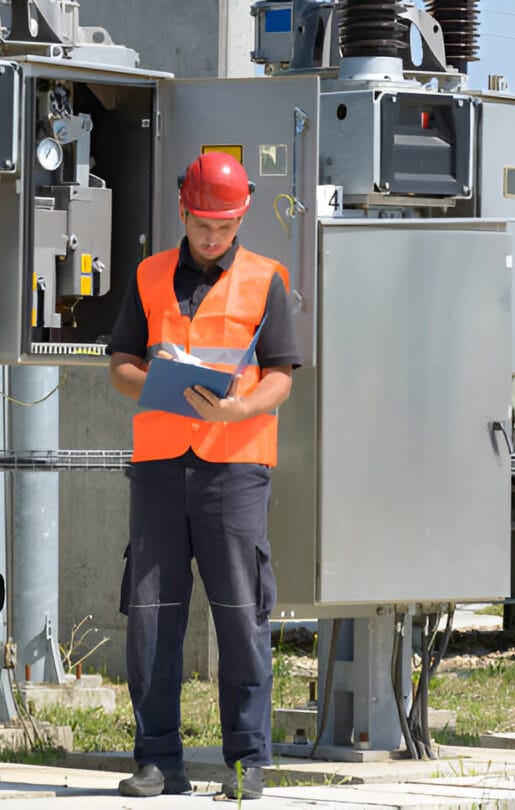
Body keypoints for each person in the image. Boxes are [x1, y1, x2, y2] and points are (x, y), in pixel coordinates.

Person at [107, 151, 301, 801]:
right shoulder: (149, 274)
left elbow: (281, 374)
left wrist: (241, 405)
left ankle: (247, 764)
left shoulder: (266, 278)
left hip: (235, 471)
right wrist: (154, 385)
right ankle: (159, 761)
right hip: (160, 469)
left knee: (242, 617)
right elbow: (120, 365)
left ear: (240, 215)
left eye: (224, 227)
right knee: (153, 616)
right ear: (183, 212)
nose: (212, 239)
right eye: (202, 226)